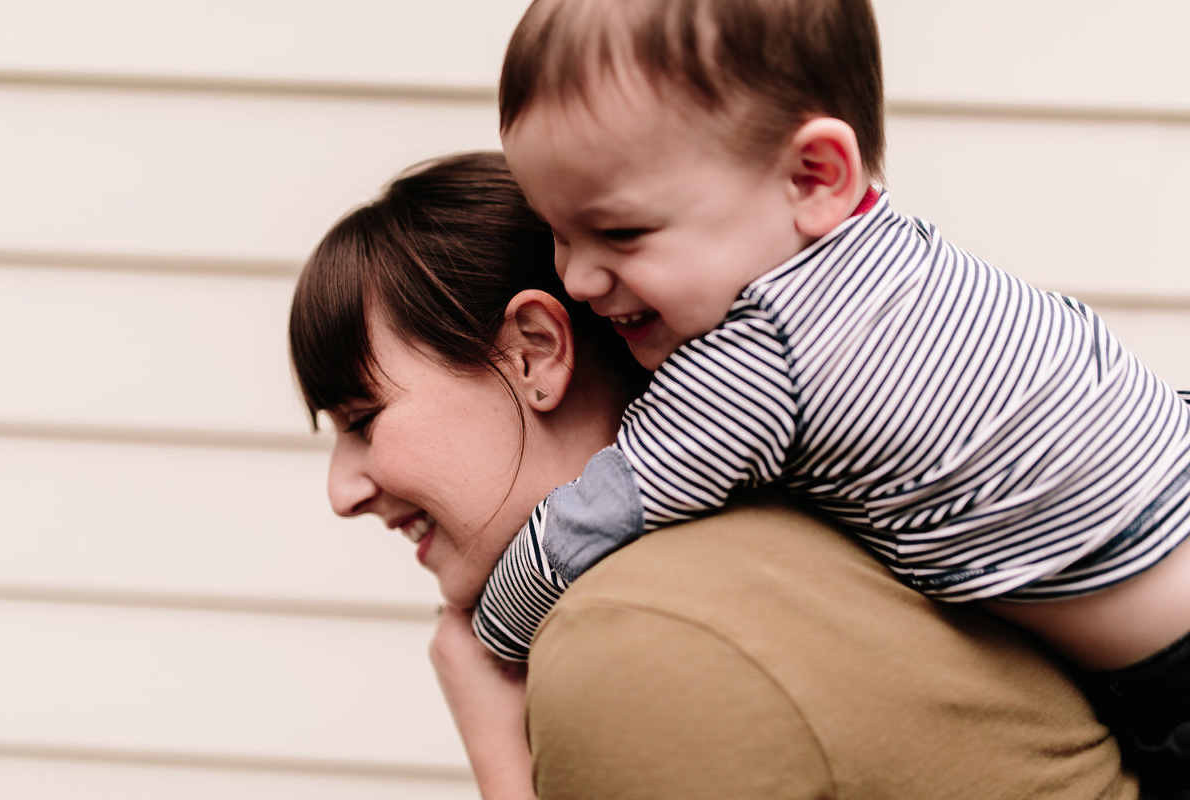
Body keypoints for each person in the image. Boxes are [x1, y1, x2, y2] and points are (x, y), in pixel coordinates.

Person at [471, 1, 1190, 792]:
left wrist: (490, 629)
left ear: (814, 177)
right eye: (558, 232)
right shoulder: (892, 247)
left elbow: (594, 519)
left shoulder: (759, 361)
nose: (576, 278)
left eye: (621, 233)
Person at [288, 151, 1139, 798]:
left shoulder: (634, 633)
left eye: (364, 419)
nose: (341, 492)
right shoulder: (795, 522)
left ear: (534, 352)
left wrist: (494, 731)